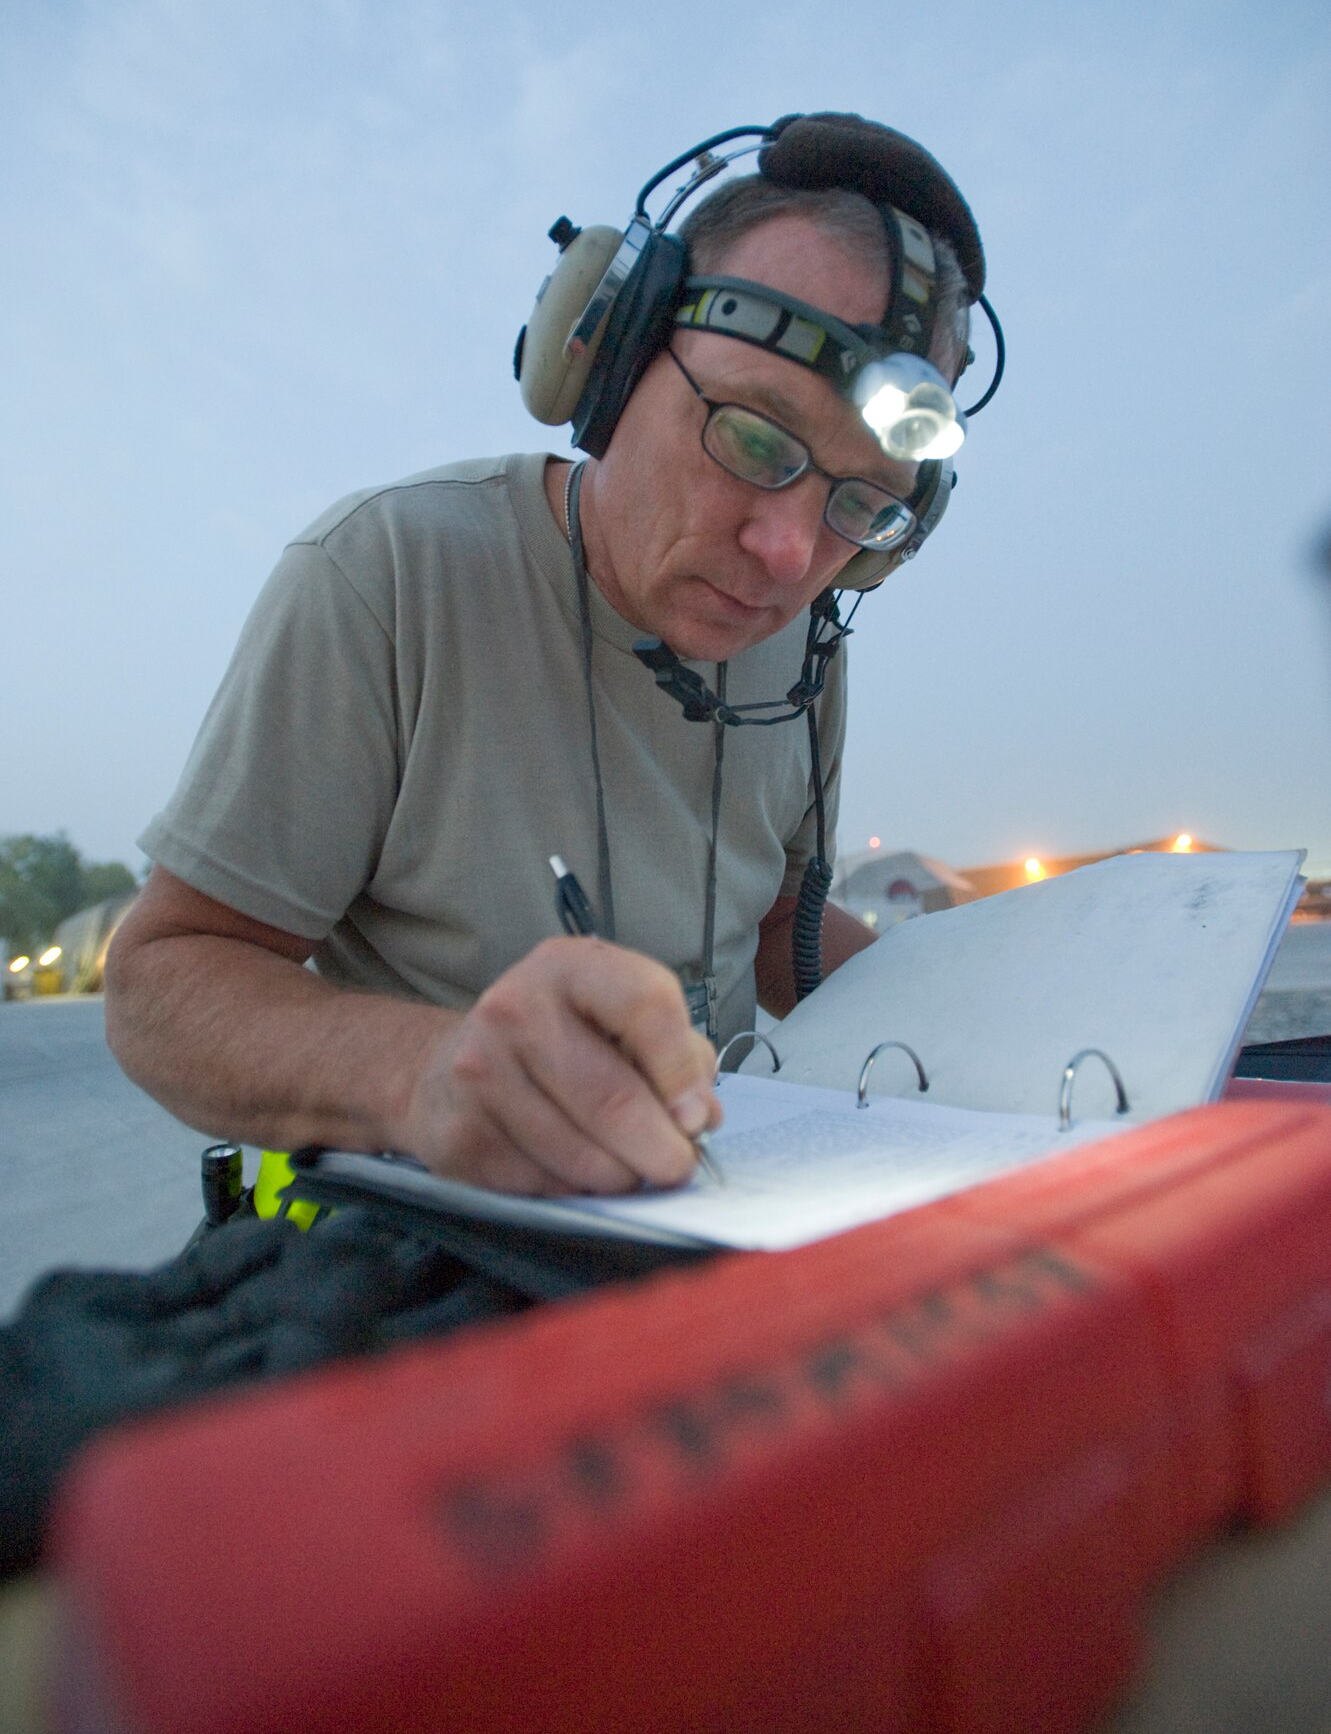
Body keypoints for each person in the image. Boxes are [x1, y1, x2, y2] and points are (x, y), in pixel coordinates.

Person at [104, 111, 996, 1200]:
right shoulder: (388, 571)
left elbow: (779, 926)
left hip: (702, 1216)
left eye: (858, 505)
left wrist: (1009, 1008)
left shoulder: (802, 645)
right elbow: (161, 978)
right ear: (606, 360)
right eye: (754, 439)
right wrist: (423, 1074)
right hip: (400, 1252)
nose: (790, 553)